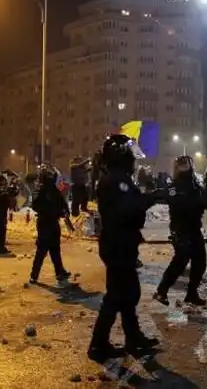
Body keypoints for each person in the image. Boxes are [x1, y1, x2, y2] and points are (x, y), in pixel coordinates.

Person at [88, 134, 162, 363]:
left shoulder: (118, 178)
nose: (133, 161)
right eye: (130, 156)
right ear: (121, 157)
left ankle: (133, 337)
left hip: (121, 243)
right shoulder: (114, 181)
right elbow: (128, 208)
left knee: (128, 293)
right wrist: (151, 198)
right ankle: (98, 344)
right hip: (117, 245)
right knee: (117, 296)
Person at [153, 155, 207, 306]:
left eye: (187, 165)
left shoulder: (195, 185)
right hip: (180, 229)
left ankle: (191, 294)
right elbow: (169, 198)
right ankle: (161, 291)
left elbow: (205, 200)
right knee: (181, 259)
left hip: (194, 228)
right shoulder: (174, 187)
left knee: (200, 262)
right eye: (182, 165)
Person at [29, 164, 72, 286]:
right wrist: (57, 211)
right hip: (45, 223)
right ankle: (34, 275)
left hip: (52, 222)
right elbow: (37, 206)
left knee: (55, 250)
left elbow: (62, 203)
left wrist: (65, 212)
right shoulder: (42, 191)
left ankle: (59, 272)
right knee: (42, 250)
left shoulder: (53, 190)